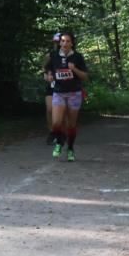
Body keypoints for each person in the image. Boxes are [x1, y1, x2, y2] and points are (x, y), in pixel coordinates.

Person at [48, 31, 89, 162]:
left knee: (71, 125)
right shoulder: (53, 56)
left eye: (68, 41)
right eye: (63, 41)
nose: (65, 43)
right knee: (56, 123)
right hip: (58, 93)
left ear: (72, 44)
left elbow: (85, 77)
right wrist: (49, 76)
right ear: (60, 42)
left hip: (74, 94)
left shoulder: (77, 57)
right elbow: (48, 71)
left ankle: (70, 148)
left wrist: (75, 69)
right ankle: (60, 142)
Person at [41, 32, 61, 144]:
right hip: (52, 86)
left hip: (65, 87)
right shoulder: (49, 55)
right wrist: (45, 74)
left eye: (59, 42)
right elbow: (44, 67)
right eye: (56, 42)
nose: (57, 44)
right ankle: (52, 132)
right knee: (49, 109)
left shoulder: (70, 56)